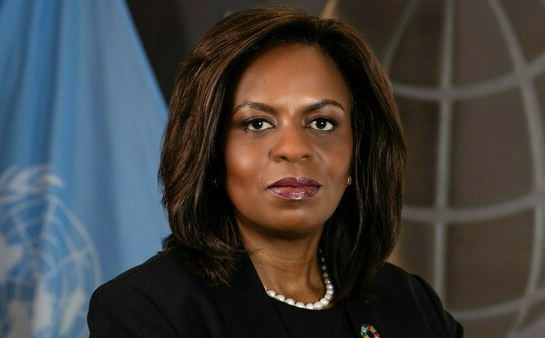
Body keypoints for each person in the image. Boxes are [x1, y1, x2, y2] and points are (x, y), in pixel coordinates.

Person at [87, 6, 463, 338]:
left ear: (357, 153)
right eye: (257, 123)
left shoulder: (412, 306)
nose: (294, 150)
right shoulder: (149, 310)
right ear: (211, 154)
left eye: (321, 123)